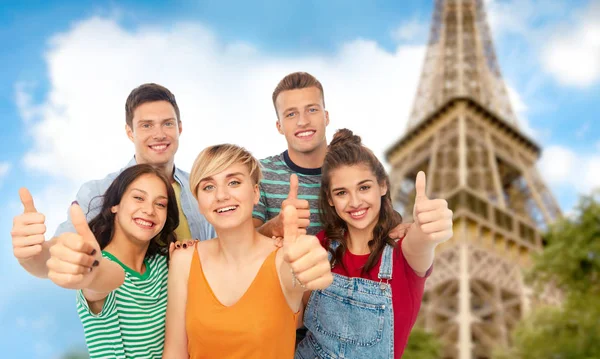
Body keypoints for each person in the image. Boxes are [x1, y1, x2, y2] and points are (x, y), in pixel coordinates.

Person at [11, 83, 215, 278]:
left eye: (167, 124)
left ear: (179, 128)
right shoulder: (98, 192)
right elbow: (58, 256)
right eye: (146, 125)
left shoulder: (203, 187)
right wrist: (32, 255)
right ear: (130, 132)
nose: (159, 134)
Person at [163, 144, 333, 359]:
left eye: (234, 182)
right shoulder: (184, 259)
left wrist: (310, 263)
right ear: (198, 203)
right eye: (208, 187)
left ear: (255, 193)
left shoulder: (284, 258)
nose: (221, 195)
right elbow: (174, 353)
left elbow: (297, 275)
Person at [296, 129, 453, 359]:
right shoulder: (319, 245)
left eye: (364, 187)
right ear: (330, 199)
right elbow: (295, 318)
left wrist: (428, 229)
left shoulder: (404, 252)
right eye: (341, 192)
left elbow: (421, 243)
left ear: (382, 186)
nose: (355, 202)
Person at [45, 164, 181, 359]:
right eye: (138, 198)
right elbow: (99, 283)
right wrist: (92, 272)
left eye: (160, 204)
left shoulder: (163, 264)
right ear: (114, 205)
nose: (149, 210)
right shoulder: (99, 266)